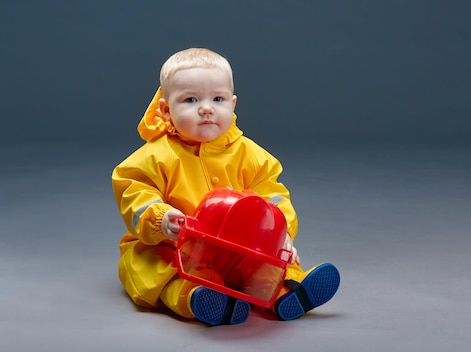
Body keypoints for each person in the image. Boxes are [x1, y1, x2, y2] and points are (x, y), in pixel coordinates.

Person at [112, 47, 340, 326]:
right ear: (166, 109)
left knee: (270, 263)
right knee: (157, 267)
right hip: (178, 246)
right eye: (191, 99)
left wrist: (282, 233)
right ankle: (198, 298)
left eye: (217, 99)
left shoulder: (250, 154)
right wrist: (160, 218)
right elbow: (136, 192)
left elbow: (273, 195)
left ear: (232, 105)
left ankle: (290, 292)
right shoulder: (154, 157)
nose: (206, 108)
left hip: (236, 248)